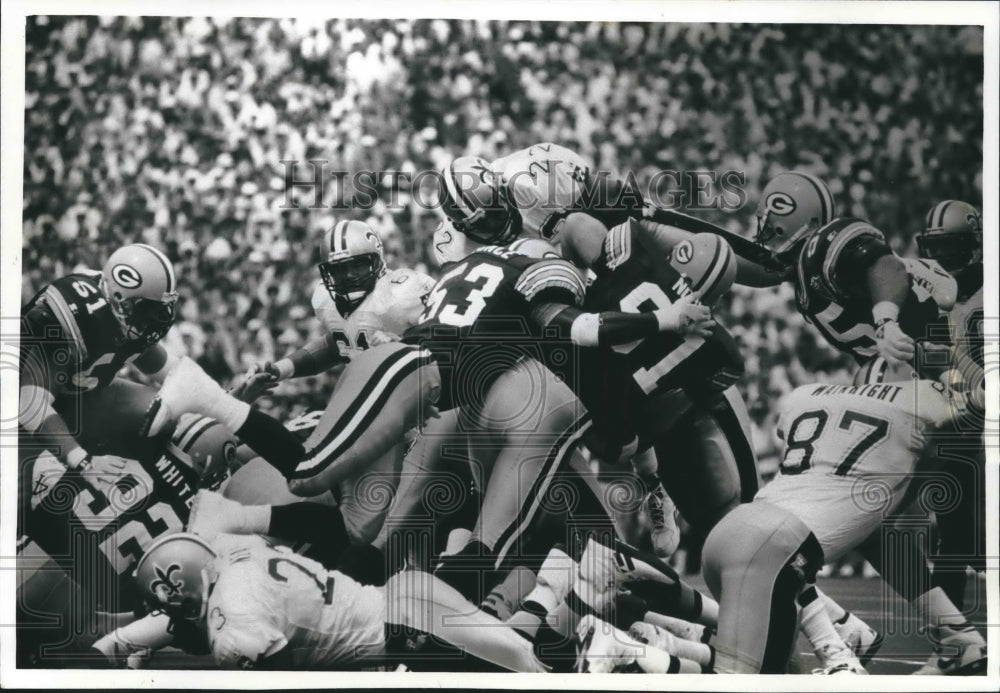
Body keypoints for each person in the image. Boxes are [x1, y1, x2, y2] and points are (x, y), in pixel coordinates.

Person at [701, 364, 988, 675]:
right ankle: (844, 653)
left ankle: (936, 636)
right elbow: (975, 407)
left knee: (870, 532)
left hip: (740, 531)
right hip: (774, 547)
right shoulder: (925, 401)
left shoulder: (803, 395)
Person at [129, 531, 547, 671]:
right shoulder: (242, 552)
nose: (170, 627)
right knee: (533, 665)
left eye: (167, 613)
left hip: (403, 643)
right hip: (406, 596)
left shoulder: (230, 625)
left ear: (182, 597)